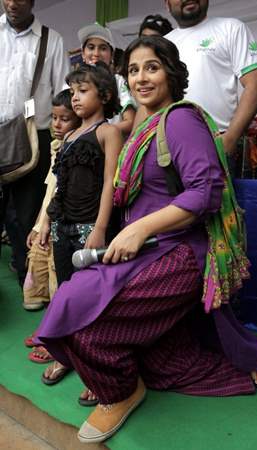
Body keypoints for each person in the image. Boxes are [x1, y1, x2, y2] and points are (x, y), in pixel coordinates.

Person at [35, 36, 257, 445]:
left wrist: (141, 228)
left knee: (83, 318)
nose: (141, 77)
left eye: (152, 67)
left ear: (171, 74)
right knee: (119, 335)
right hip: (143, 252)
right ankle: (123, 380)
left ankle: (120, 392)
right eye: (135, 69)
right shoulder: (140, 124)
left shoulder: (180, 120)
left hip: (177, 253)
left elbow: (204, 192)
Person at [39, 63, 122, 406]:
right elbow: (57, 185)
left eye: (82, 91)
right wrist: (45, 221)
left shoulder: (108, 132)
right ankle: (66, 353)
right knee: (66, 290)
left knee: (92, 296)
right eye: (72, 92)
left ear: (104, 95)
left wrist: (101, 228)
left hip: (91, 227)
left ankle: (94, 364)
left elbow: (110, 183)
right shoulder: (68, 137)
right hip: (62, 224)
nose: (75, 98)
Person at [0, 0, 70, 286]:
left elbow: (63, 90)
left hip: (34, 137)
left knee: (26, 212)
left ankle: (27, 274)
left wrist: (63, 134)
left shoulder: (51, 40)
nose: (12, 4)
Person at [164, 0, 257, 157]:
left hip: (215, 142)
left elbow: (256, 86)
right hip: (168, 145)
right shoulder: (163, 44)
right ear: (167, 3)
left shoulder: (231, 28)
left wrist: (230, 138)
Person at [23, 89, 81, 364]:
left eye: (64, 119)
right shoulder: (57, 146)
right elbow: (50, 188)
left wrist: (48, 222)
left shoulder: (79, 147)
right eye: (54, 118)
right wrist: (38, 223)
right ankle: (50, 327)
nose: (56, 125)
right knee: (43, 272)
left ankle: (58, 339)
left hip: (65, 224)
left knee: (61, 280)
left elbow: (63, 193)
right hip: (49, 220)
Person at [78, 23, 136, 137]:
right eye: (91, 47)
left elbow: (130, 122)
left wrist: (97, 135)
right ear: (83, 54)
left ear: (112, 55)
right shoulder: (71, 84)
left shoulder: (118, 82)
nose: (96, 53)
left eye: (103, 48)